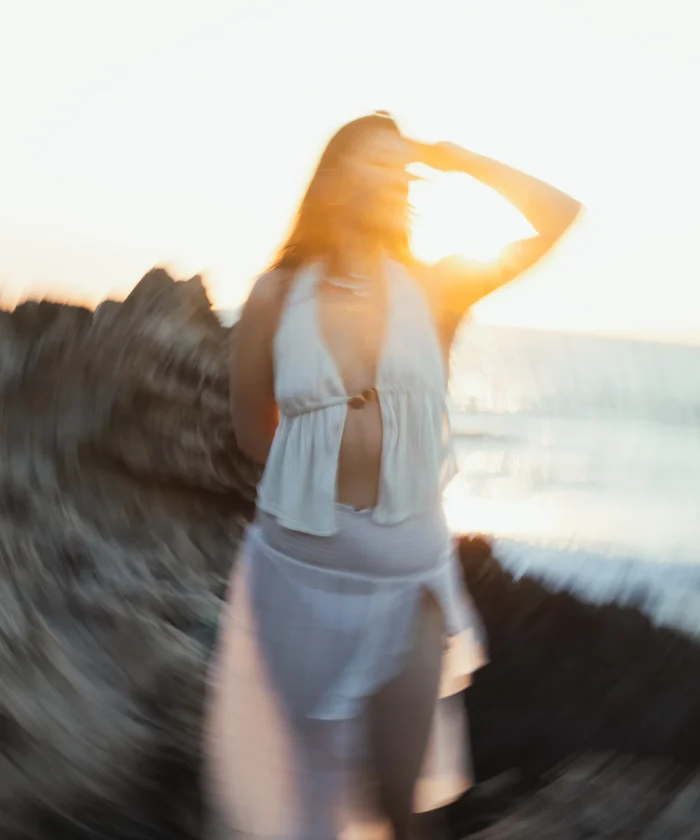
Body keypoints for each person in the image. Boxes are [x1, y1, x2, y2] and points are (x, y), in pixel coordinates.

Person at [205, 111, 581, 840]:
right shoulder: (276, 294)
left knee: (401, 806)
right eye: (373, 161)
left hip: (407, 579)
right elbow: (253, 432)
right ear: (333, 178)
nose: (390, 177)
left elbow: (559, 217)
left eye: (400, 167)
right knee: (306, 796)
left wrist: (461, 159)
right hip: (300, 576)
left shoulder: (438, 288)